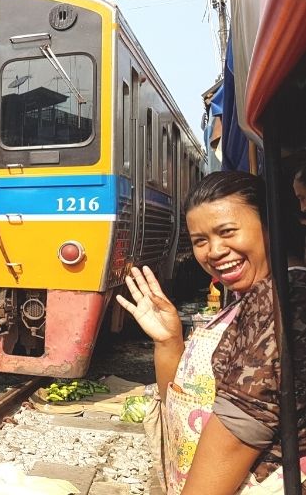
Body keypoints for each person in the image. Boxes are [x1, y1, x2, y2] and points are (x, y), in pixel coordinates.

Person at [116, 171, 305, 495]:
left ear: (270, 225)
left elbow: (239, 431)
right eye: (200, 241)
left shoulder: (284, 298)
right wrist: (169, 342)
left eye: (227, 231)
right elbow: (181, 403)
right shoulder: (256, 294)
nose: (213, 251)